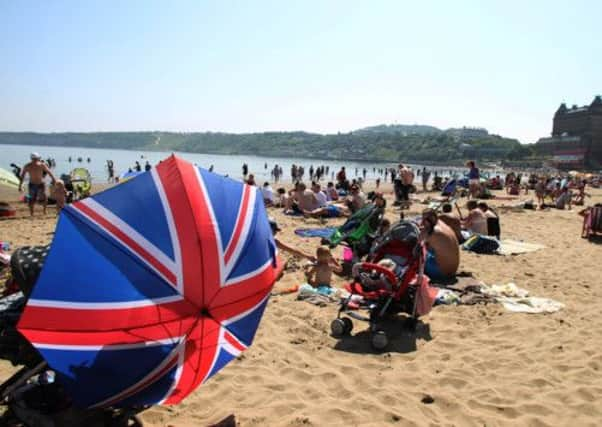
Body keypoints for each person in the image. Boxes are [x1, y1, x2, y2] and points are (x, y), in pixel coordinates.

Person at [421, 209, 460, 281]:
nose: (422, 222)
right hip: (452, 269)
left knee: (417, 255)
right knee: (429, 249)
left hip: (441, 273)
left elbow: (417, 245)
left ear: (432, 219)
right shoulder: (443, 225)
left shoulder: (434, 231)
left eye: (424, 220)